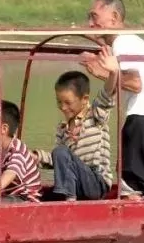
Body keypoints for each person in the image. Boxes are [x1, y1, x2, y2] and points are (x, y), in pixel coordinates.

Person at [82, 0, 144, 199]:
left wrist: (103, 72)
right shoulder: (137, 43)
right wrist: (105, 72)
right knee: (140, 187)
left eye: (95, 17)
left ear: (114, 17)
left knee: (132, 191)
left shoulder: (122, 42)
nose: (90, 24)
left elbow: (135, 83)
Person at [32, 70, 116, 201]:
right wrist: (36, 157)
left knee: (61, 151)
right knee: (59, 152)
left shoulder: (95, 115)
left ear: (84, 99)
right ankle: (66, 195)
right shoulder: (62, 128)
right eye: (59, 102)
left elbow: (107, 94)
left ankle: (68, 199)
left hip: (96, 183)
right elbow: (58, 158)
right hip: (76, 183)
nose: (63, 107)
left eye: (68, 102)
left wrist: (113, 73)